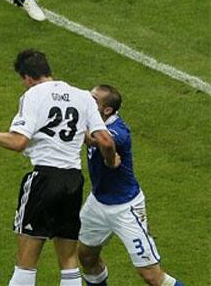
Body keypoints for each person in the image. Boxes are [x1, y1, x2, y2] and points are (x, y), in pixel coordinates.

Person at [0, 49, 117, 286]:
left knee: (26, 260)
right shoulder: (82, 96)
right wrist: (111, 161)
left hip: (44, 180)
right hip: (73, 181)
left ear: (27, 77)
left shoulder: (33, 95)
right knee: (68, 260)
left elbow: (19, 142)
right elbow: (106, 141)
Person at [77, 85, 183, 286]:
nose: (88, 103)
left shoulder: (119, 132)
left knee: (152, 276)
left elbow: (103, 142)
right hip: (97, 203)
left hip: (126, 208)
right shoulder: (92, 120)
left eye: (94, 100)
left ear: (107, 110)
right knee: (87, 257)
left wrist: (109, 160)